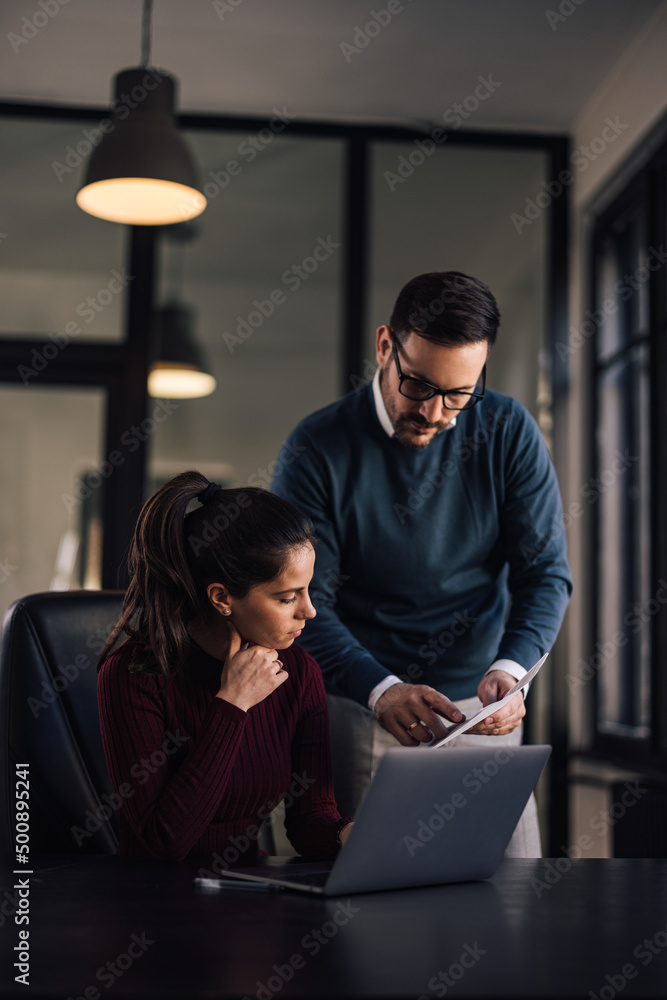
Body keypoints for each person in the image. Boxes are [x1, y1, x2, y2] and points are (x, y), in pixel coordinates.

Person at [271, 271, 573, 857]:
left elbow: (545, 574)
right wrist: (381, 689)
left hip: (479, 704)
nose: (436, 413)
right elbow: (305, 604)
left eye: (460, 394)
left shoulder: (508, 430)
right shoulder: (316, 448)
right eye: (418, 385)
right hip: (362, 701)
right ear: (386, 347)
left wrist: (511, 672)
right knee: (375, 902)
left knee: (510, 888)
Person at [97, 471, 353, 863]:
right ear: (221, 598)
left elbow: (310, 822)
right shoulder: (133, 676)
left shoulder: (298, 672)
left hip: (248, 891)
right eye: (288, 598)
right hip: (152, 907)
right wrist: (232, 704)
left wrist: (349, 834)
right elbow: (162, 844)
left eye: (308, 590)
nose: (310, 611)